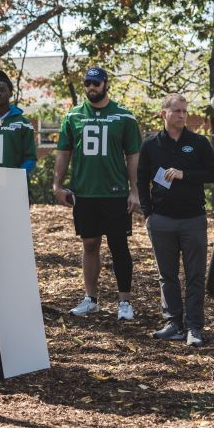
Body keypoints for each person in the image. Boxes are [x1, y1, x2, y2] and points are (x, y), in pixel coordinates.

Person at [52, 67, 143, 320]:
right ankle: (90, 299)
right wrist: (57, 185)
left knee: (118, 246)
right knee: (89, 244)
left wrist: (134, 191)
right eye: (87, 83)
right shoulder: (73, 116)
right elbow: (63, 152)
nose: (91, 87)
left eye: (96, 82)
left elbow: (133, 155)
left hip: (114, 193)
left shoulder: (124, 117)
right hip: (85, 192)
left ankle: (124, 302)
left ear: (106, 84)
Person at [136, 93, 214, 347]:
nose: (183, 115)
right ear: (164, 113)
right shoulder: (151, 144)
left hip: (192, 219)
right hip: (161, 220)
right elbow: (141, 179)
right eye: (177, 111)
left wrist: (185, 174)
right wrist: (148, 213)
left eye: (185, 111)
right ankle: (173, 323)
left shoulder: (197, 143)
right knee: (167, 275)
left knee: (195, 275)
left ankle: (194, 326)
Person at [0, 71, 37, 172]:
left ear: (10, 93)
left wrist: (20, 174)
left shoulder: (23, 123)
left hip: (15, 180)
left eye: (2, 90)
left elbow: (30, 157)